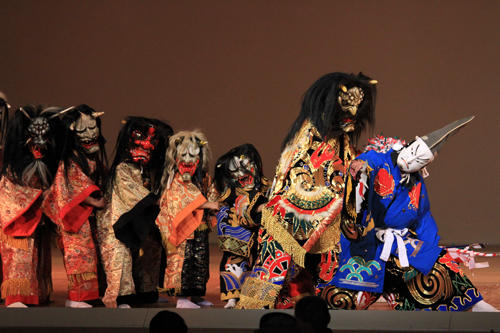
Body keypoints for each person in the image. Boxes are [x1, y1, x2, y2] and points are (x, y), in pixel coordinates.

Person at [237, 72, 377, 309]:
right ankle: (258, 303)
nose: (352, 115)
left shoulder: (341, 138)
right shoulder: (309, 133)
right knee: (280, 255)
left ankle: (328, 296)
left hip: (333, 210)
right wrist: (334, 186)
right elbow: (299, 170)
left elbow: (348, 161)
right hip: (303, 206)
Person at [333, 117, 499, 311]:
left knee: (438, 262)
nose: (410, 160)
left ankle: (476, 303)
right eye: (412, 152)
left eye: (419, 161)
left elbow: (423, 218)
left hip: (397, 247)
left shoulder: (417, 185)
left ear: (424, 167)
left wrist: (431, 248)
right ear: (407, 145)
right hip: (366, 245)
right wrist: (361, 167)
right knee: (345, 301)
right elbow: (368, 162)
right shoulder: (380, 160)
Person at [96, 116, 172, 308]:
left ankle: (147, 291)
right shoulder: (123, 168)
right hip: (116, 220)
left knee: (152, 247)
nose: (147, 145)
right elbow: (134, 193)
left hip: (136, 217)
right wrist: (162, 201)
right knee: (119, 256)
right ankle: (121, 297)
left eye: (151, 142)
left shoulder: (147, 168)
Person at [41, 105, 107, 308]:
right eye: (83, 130)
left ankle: (91, 295)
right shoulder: (70, 159)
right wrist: (95, 201)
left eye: (92, 128)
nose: (90, 134)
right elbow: (72, 187)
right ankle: (76, 297)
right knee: (79, 255)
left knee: (94, 255)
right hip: (75, 214)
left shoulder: (91, 156)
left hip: (90, 215)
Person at [0, 104, 64, 307]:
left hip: (39, 218)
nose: (40, 144)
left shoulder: (46, 165)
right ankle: (17, 297)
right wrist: (40, 195)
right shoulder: (13, 168)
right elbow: (10, 192)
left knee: (39, 259)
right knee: (19, 258)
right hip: (20, 218)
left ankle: (38, 294)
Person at [156, 130, 219, 308]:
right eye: (183, 153)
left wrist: (215, 201)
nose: (188, 158)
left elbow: (212, 193)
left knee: (200, 260)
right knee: (182, 261)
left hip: (199, 226)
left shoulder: (202, 177)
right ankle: (181, 299)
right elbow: (182, 199)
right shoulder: (174, 178)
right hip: (183, 228)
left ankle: (197, 295)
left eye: (193, 153)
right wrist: (209, 205)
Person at [214, 144, 270, 308]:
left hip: (261, 232)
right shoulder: (231, 192)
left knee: (261, 263)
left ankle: (257, 296)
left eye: (245, 167)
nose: (241, 174)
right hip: (237, 231)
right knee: (234, 262)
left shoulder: (267, 186)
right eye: (234, 172)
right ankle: (232, 297)